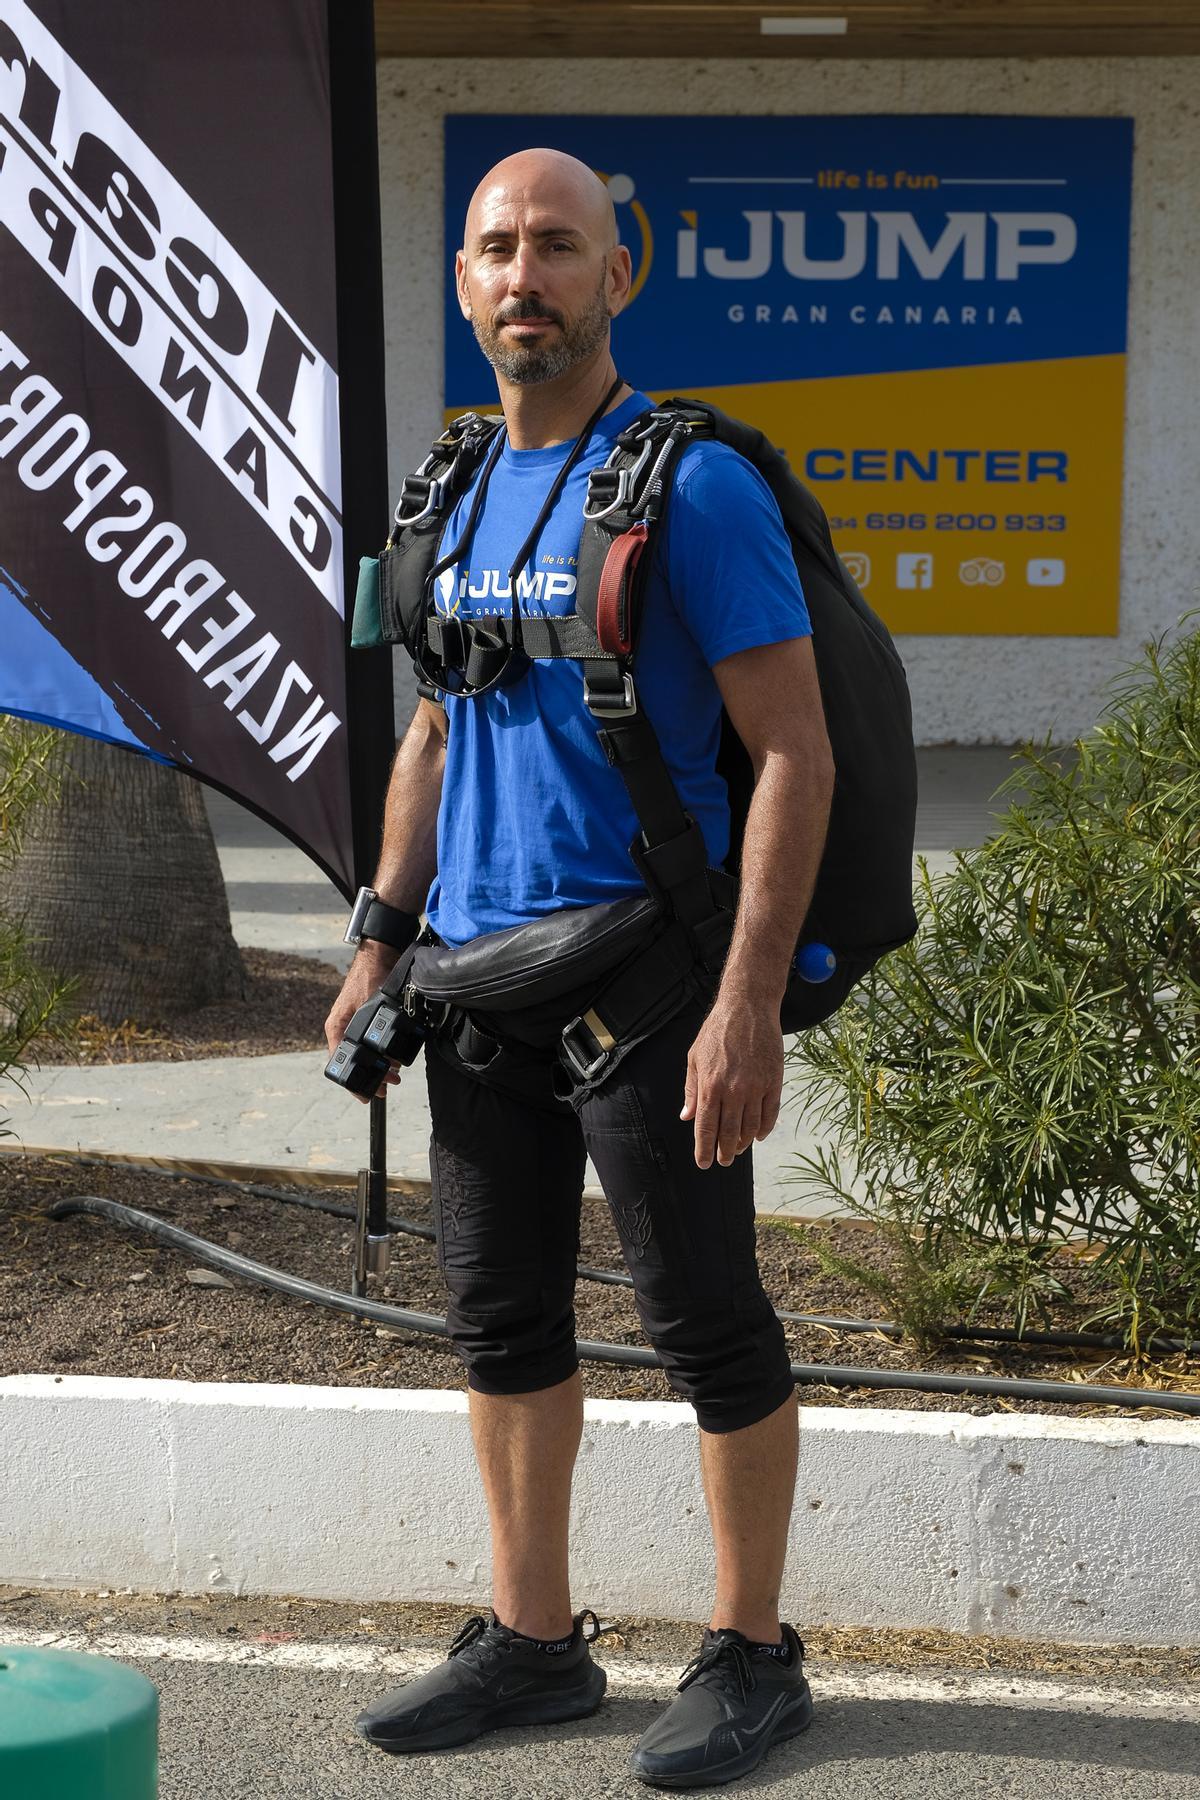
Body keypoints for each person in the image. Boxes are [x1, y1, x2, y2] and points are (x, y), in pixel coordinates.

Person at [324, 146, 835, 1790]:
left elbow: (797, 756)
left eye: (558, 246)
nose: (524, 275)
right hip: (479, 979)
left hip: (654, 978)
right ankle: (535, 1644)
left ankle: (755, 1658)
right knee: (500, 1322)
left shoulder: (692, 485)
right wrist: (381, 938)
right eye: (497, 249)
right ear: (465, 283)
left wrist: (749, 1002)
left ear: (622, 275)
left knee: (707, 1326)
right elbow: (428, 726)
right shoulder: (450, 487)